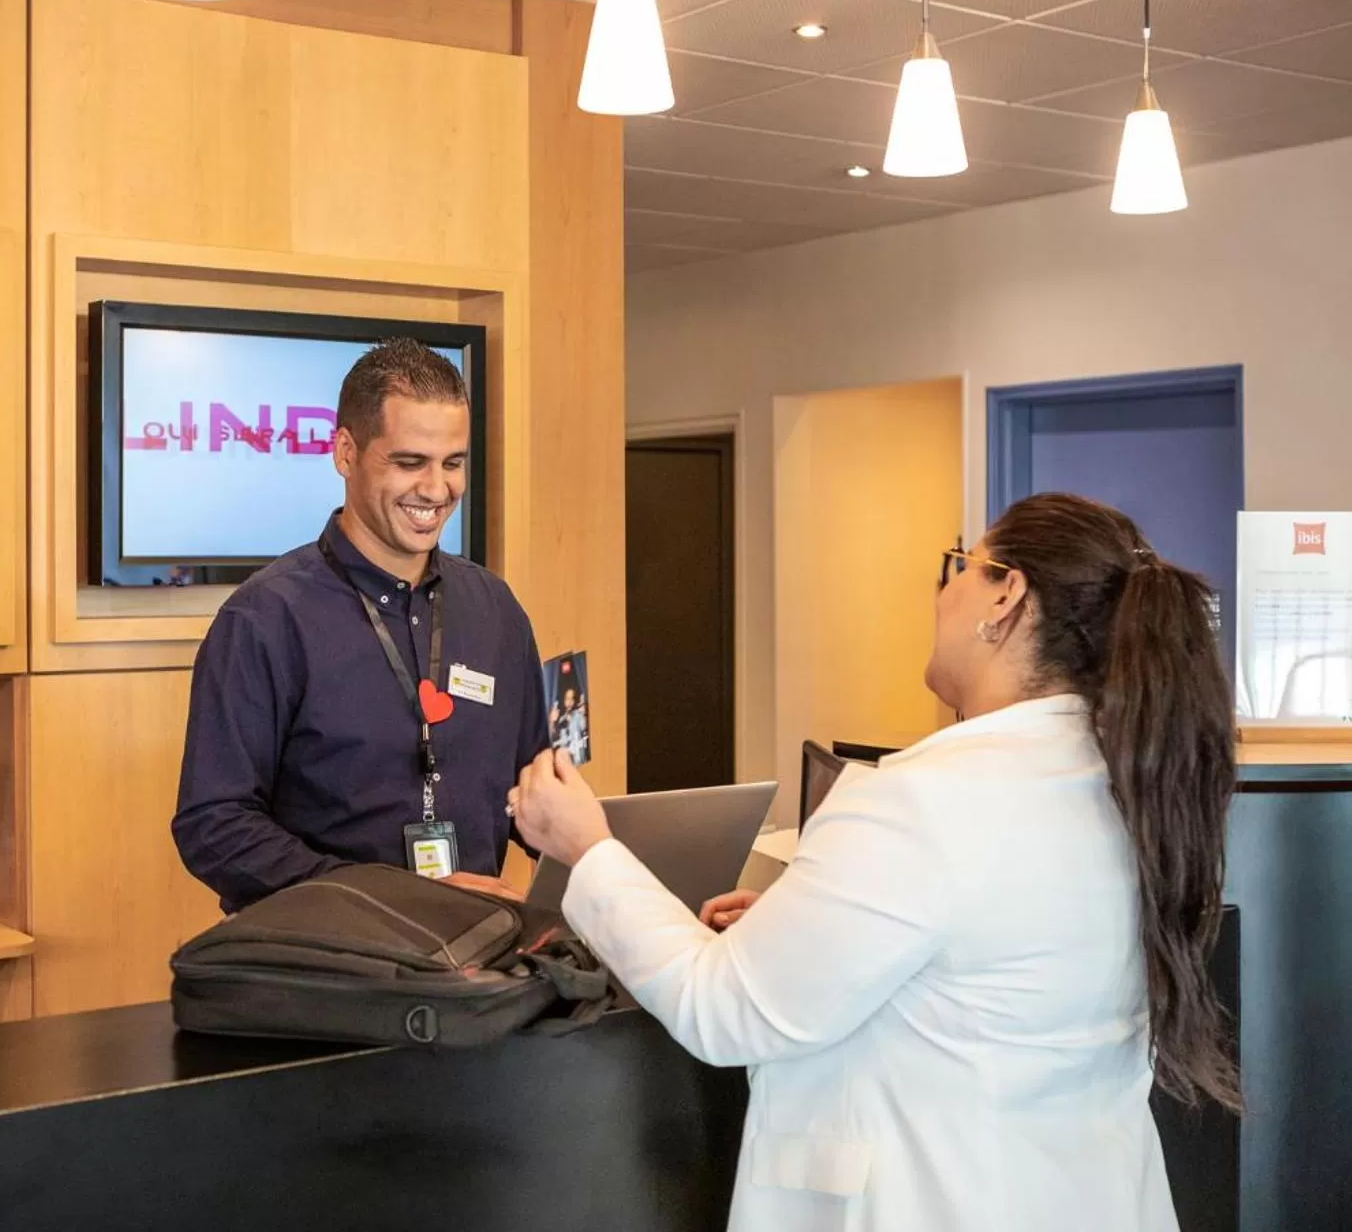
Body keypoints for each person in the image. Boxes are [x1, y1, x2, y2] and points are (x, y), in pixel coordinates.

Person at [512, 493, 1239, 1232]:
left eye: (958, 567)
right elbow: (989, 974)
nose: (942, 594)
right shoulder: (1122, 784)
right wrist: (811, 923)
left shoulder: (925, 797)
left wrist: (587, 848)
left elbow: (721, 1008)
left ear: (1005, 594)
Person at [174, 338, 549, 912]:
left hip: (473, 958)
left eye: (452, 463)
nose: (435, 489)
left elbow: (531, 792)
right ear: (345, 452)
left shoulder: (494, 609)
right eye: (408, 462)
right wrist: (389, 895)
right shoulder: (265, 618)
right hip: (329, 964)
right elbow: (214, 825)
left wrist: (608, 860)